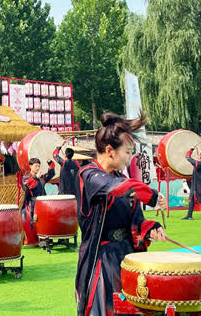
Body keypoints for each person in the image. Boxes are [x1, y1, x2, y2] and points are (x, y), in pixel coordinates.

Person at [75, 112, 166, 316]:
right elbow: (118, 188)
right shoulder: (89, 175)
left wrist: (150, 228)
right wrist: (151, 195)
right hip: (102, 261)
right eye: (127, 152)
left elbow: (136, 220)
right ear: (110, 151)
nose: (129, 157)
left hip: (128, 258)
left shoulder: (122, 180)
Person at [20, 157, 56, 245]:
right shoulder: (25, 177)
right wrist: (35, 177)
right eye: (35, 166)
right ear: (30, 166)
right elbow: (27, 185)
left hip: (42, 203)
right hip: (32, 203)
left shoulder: (42, 177)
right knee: (31, 220)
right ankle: (33, 240)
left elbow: (51, 173)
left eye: (39, 166)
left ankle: (45, 239)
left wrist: (49, 162)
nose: (37, 168)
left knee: (45, 221)